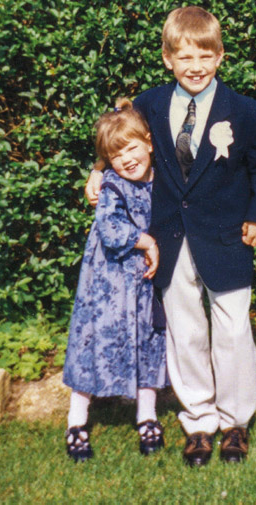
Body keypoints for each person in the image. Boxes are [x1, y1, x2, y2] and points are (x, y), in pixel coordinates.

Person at [87, 6, 256, 466]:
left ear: (220, 57)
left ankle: (235, 421)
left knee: (233, 329)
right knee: (185, 330)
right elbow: (117, 133)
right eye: (184, 56)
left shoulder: (245, 111)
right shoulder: (150, 105)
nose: (195, 66)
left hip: (227, 238)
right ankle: (198, 419)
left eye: (205, 55)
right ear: (167, 58)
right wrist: (98, 169)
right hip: (171, 237)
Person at [63, 99, 166, 462]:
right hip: (107, 285)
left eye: (132, 148)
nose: (126, 159)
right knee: (93, 341)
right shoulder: (111, 184)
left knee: (149, 339)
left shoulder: (161, 177)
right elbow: (109, 228)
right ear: (106, 160)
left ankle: (147, 415)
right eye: (115, 154)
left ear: (150, 143)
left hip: (144, 284)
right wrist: (147, 240)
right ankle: (77, 421)